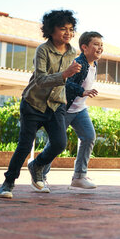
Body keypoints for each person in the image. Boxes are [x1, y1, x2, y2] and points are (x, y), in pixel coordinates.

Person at [0, 10, 81, 198]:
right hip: (33, 103)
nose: (68, 33)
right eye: (63, 29)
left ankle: (37, 165)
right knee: (24, 146)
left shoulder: (72, 52)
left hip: (56, 104)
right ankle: (8, 183)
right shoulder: (42, 50)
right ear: (51, 31)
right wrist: (65, 74)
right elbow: (41, 80)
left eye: (70, 29)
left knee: (60, 143)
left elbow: (66, 79)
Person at [40, 31, 103, 191]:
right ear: (84, 47)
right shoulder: (77, 63)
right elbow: (65, 82)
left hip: (80, 109)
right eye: (96, 44)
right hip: (64, 108)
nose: (100, 48)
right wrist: (82, 91)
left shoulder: (94, 64)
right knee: (56, 143)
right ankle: (39, 174)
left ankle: (79, 177)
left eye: (101, 45)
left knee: (89, 137)